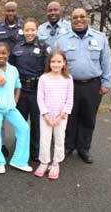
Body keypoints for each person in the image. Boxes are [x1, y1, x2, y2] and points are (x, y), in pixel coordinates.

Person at [55, 8, 111, 163]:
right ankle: (68, 146)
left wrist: (106, 83)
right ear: (71, 19)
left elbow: (106, 62)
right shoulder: (62, 40)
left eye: (82, 17)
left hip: (92, 85)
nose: (78, 20)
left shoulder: (100, 38)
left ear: (87, 19)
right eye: (75, 17)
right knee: (69, 117)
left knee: (88, 117)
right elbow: (54, 62)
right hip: (68, 85)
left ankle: (83, 148)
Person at [0, 42, 32, 174]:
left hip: (10, 107)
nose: (1, 56)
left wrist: (15, 100)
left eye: (3, 53)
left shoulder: (13, 70)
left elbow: (18, 86)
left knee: (24, 128)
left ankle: (19, 161)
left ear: (8, 54)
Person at [11, 18, 50, 162]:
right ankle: (20, 149)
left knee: (36, 123)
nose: (29, 33)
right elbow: (12, 69)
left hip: (36, 91)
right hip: (21, 91)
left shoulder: (43, 47)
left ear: (37, 30)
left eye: (32, 30)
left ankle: (35, 151)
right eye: (27, 30)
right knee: (20, 122)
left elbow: (48, 69)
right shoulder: (16, 47)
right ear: (23, 31)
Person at [34, 50, 73, 180]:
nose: (56, 64)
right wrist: (46, 115)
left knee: (59, 139)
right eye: (53, 61)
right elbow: (40, 98)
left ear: (64, 63)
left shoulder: (68, 78)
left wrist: (61, 115)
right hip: (46, 116)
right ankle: (44, 162)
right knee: (44, 140)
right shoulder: (44, 78)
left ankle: (56, 163)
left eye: (59, 61)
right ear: (49, 63)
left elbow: (69, 99)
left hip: (61, 117)